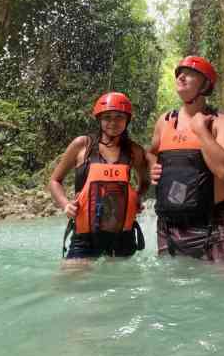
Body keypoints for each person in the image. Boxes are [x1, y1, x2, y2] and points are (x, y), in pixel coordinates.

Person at [146, 56, 224, 262]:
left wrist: (201, 131)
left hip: (213, 225)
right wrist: (153, 168)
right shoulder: (165, 121)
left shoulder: (221, 122)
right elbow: (151, 152)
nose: (181, 76)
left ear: (205, 84)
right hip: (169, 226)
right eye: (179, 73)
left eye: (190, 73)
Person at [49, 92, 149, 261]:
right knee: (68, 285)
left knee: (120, 286)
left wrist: (137, 198)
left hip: (123, 236)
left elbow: (145, 181)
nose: (113, 122)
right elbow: (54, 181)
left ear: (127, 120)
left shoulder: (134, 151)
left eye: (119, 117)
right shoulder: (83, 145)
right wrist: (66, 205)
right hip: (85, 234)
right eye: (107, 117)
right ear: (99, 119)